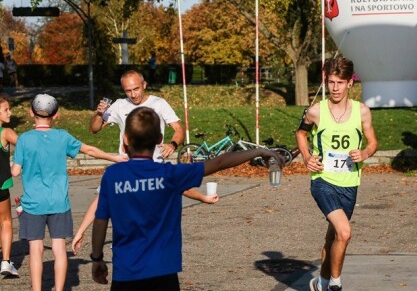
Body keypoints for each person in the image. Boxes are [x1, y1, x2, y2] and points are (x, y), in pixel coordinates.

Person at [90, 106, 284, 290]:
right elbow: (220, 162)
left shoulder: (112, 176)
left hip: (126, 272)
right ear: (159, 139)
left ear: (125, 140)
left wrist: (97, 258)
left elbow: (100, 221)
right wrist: (259, 151)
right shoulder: (171, 174)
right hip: (163, 270)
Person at [73, 69, 214, 254]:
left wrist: (172, 144)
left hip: (153, 163)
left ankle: (149, 244)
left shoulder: (159, 103)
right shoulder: (119, 105)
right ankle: (104, 237)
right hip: (126, 164)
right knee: (108, 199)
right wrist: (99, 114)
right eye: (128, 90)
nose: (133, 94)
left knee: (152, 205)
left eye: (136, 89)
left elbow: (178, 129)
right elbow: (94, 129)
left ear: (144, 84)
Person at [10, 94, 126, 291]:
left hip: (32, 203)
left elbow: (15, 171)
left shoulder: (24, 139)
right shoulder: (62, 136)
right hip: (59, 202)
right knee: (59, 249)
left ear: (31, 113)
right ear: (57, 115)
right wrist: (114, 158)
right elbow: (89, 150)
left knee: (35, 249)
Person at [295, 57, 378, 291]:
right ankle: (335, 285)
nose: (335, 88)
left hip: (350, 182)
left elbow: (373, 143)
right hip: (322, 180)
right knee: (345, 231)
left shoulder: (362, 112)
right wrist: (306, 157)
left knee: (334, 237)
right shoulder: (315, 111)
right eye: (331, 82)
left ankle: (320, 282)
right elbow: (301, 134)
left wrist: (365, 153)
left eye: (340, 83)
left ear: (350, 83)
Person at [0, 96, 18, 276]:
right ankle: (5, 261)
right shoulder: (5, 132)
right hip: (0, 185)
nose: (10, 112)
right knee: (5, 221)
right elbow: (25, 146)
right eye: (6, 110)